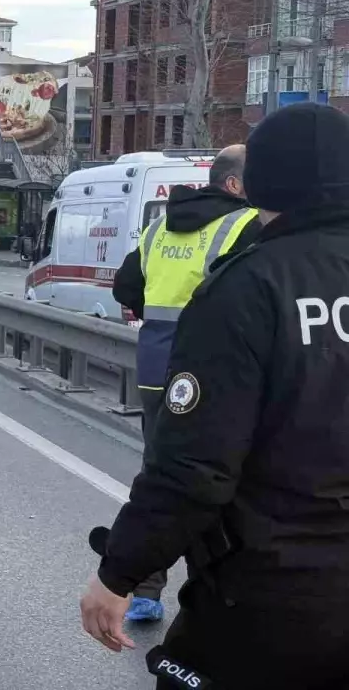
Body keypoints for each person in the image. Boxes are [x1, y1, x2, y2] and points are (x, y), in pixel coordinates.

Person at [81, 102, 349, 688]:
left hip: (270, 597)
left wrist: (120, 571)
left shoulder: (249, 285)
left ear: (263, 181)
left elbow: (195, 468)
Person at [109, 144, 259, 622]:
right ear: (234, 184)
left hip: (156, 372)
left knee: (161, 472)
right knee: (215, 479)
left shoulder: (158, 227)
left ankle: (146, 591)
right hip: (210, 371)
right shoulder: (245, 226)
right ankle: (210, 590)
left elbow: (125, 287)